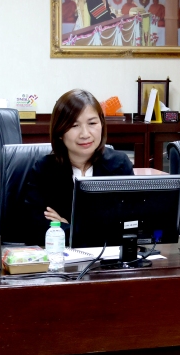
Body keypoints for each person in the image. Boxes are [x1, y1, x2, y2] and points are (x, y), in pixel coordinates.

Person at [22, 89, 134, 246]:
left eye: (92, 123)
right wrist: (96, 230)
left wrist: (67, 227)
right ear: (60, 132)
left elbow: (128, 225)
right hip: (61, 258)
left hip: (109, 258)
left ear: (102, 124)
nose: (85, 134)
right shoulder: (45, 170)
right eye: (74, 125)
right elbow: (35, 228)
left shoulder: (119, 165)